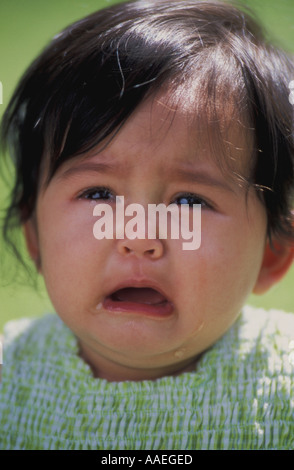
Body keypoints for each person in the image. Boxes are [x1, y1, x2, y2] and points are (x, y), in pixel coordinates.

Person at [0, 0, 293, 450]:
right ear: (35, 234)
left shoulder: (285, 386)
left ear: (272, 253)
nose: (139, 237)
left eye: (190, 201)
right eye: (98, 194)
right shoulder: (7, 379)